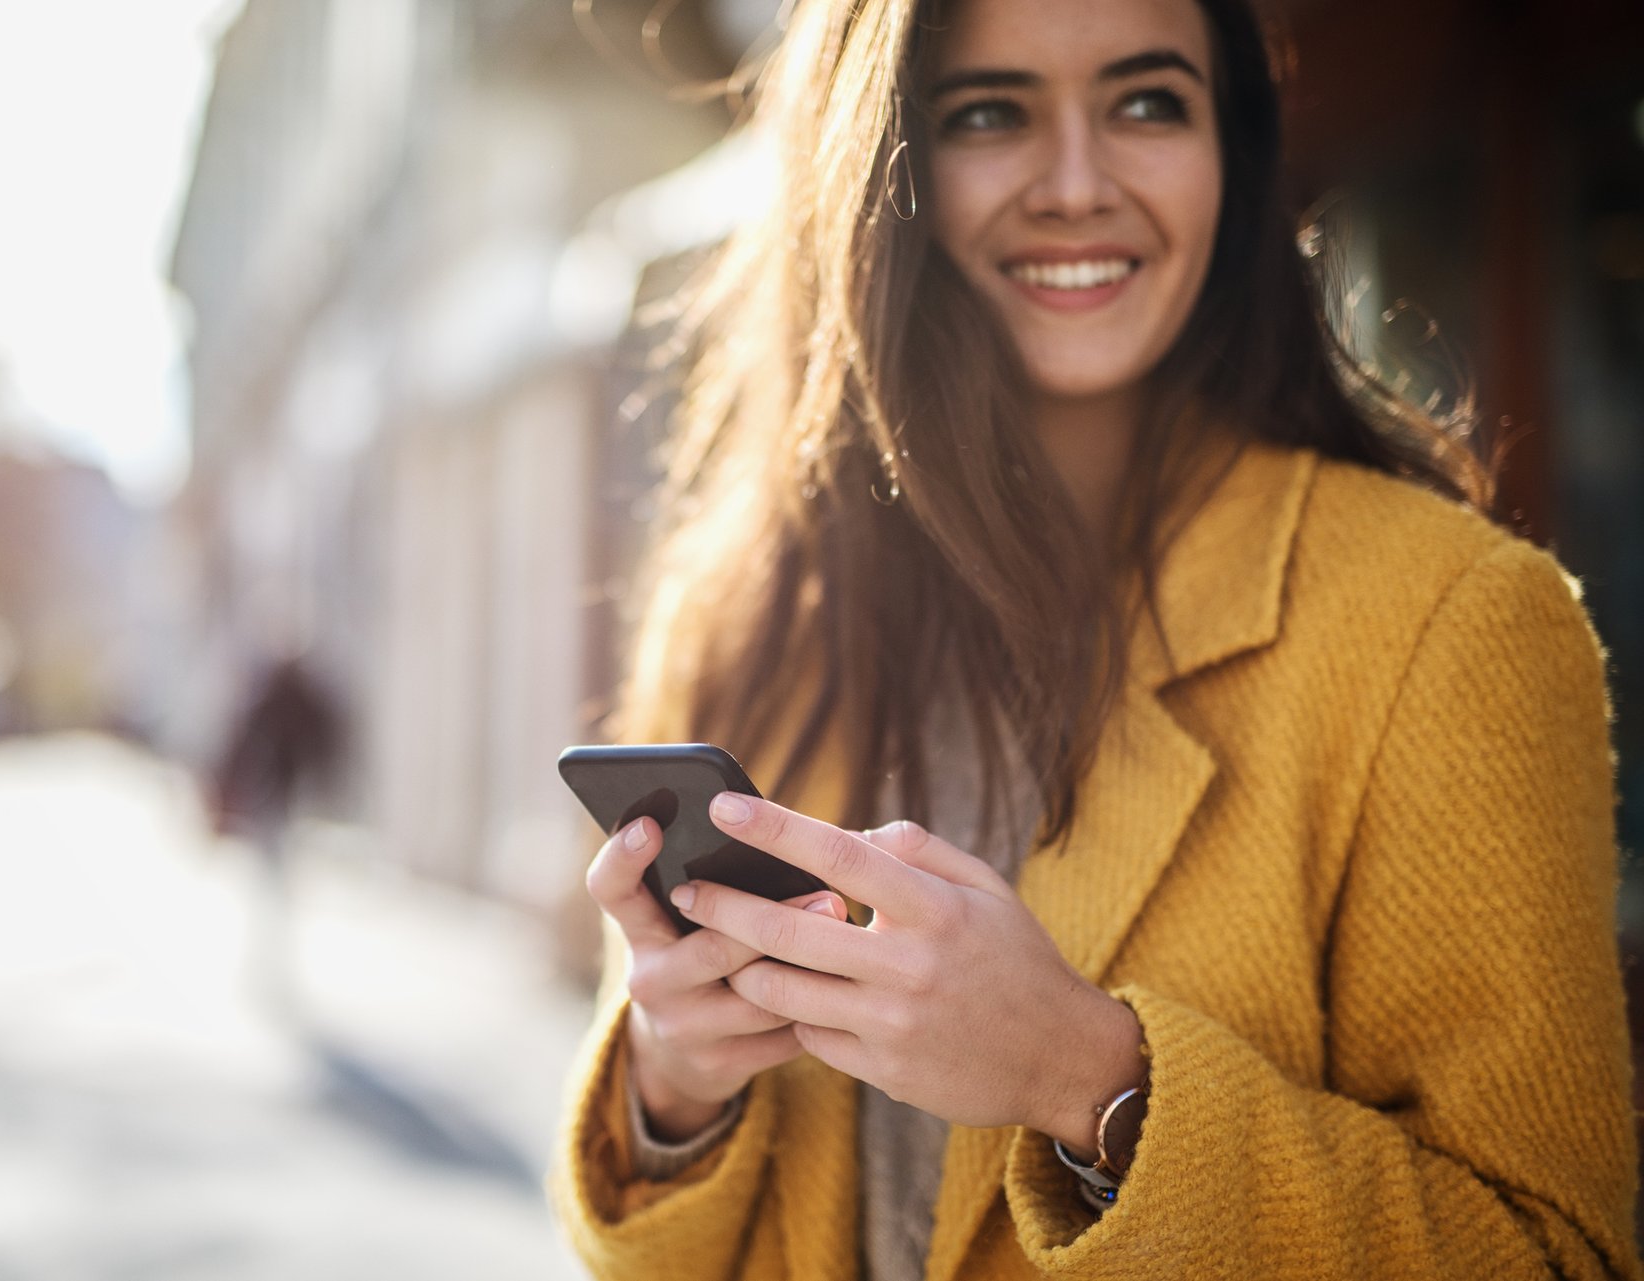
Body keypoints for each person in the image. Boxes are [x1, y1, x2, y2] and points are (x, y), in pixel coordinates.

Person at [549, 0, 1641, 1277]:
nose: (1078, 183)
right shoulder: (748, 606)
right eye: (989, 112)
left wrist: (1091, 1081)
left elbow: (1555, 1255)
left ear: (1230, 150)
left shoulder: (1454, 623)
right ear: (881, 163)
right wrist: (674, 1092)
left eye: (1146, 101)